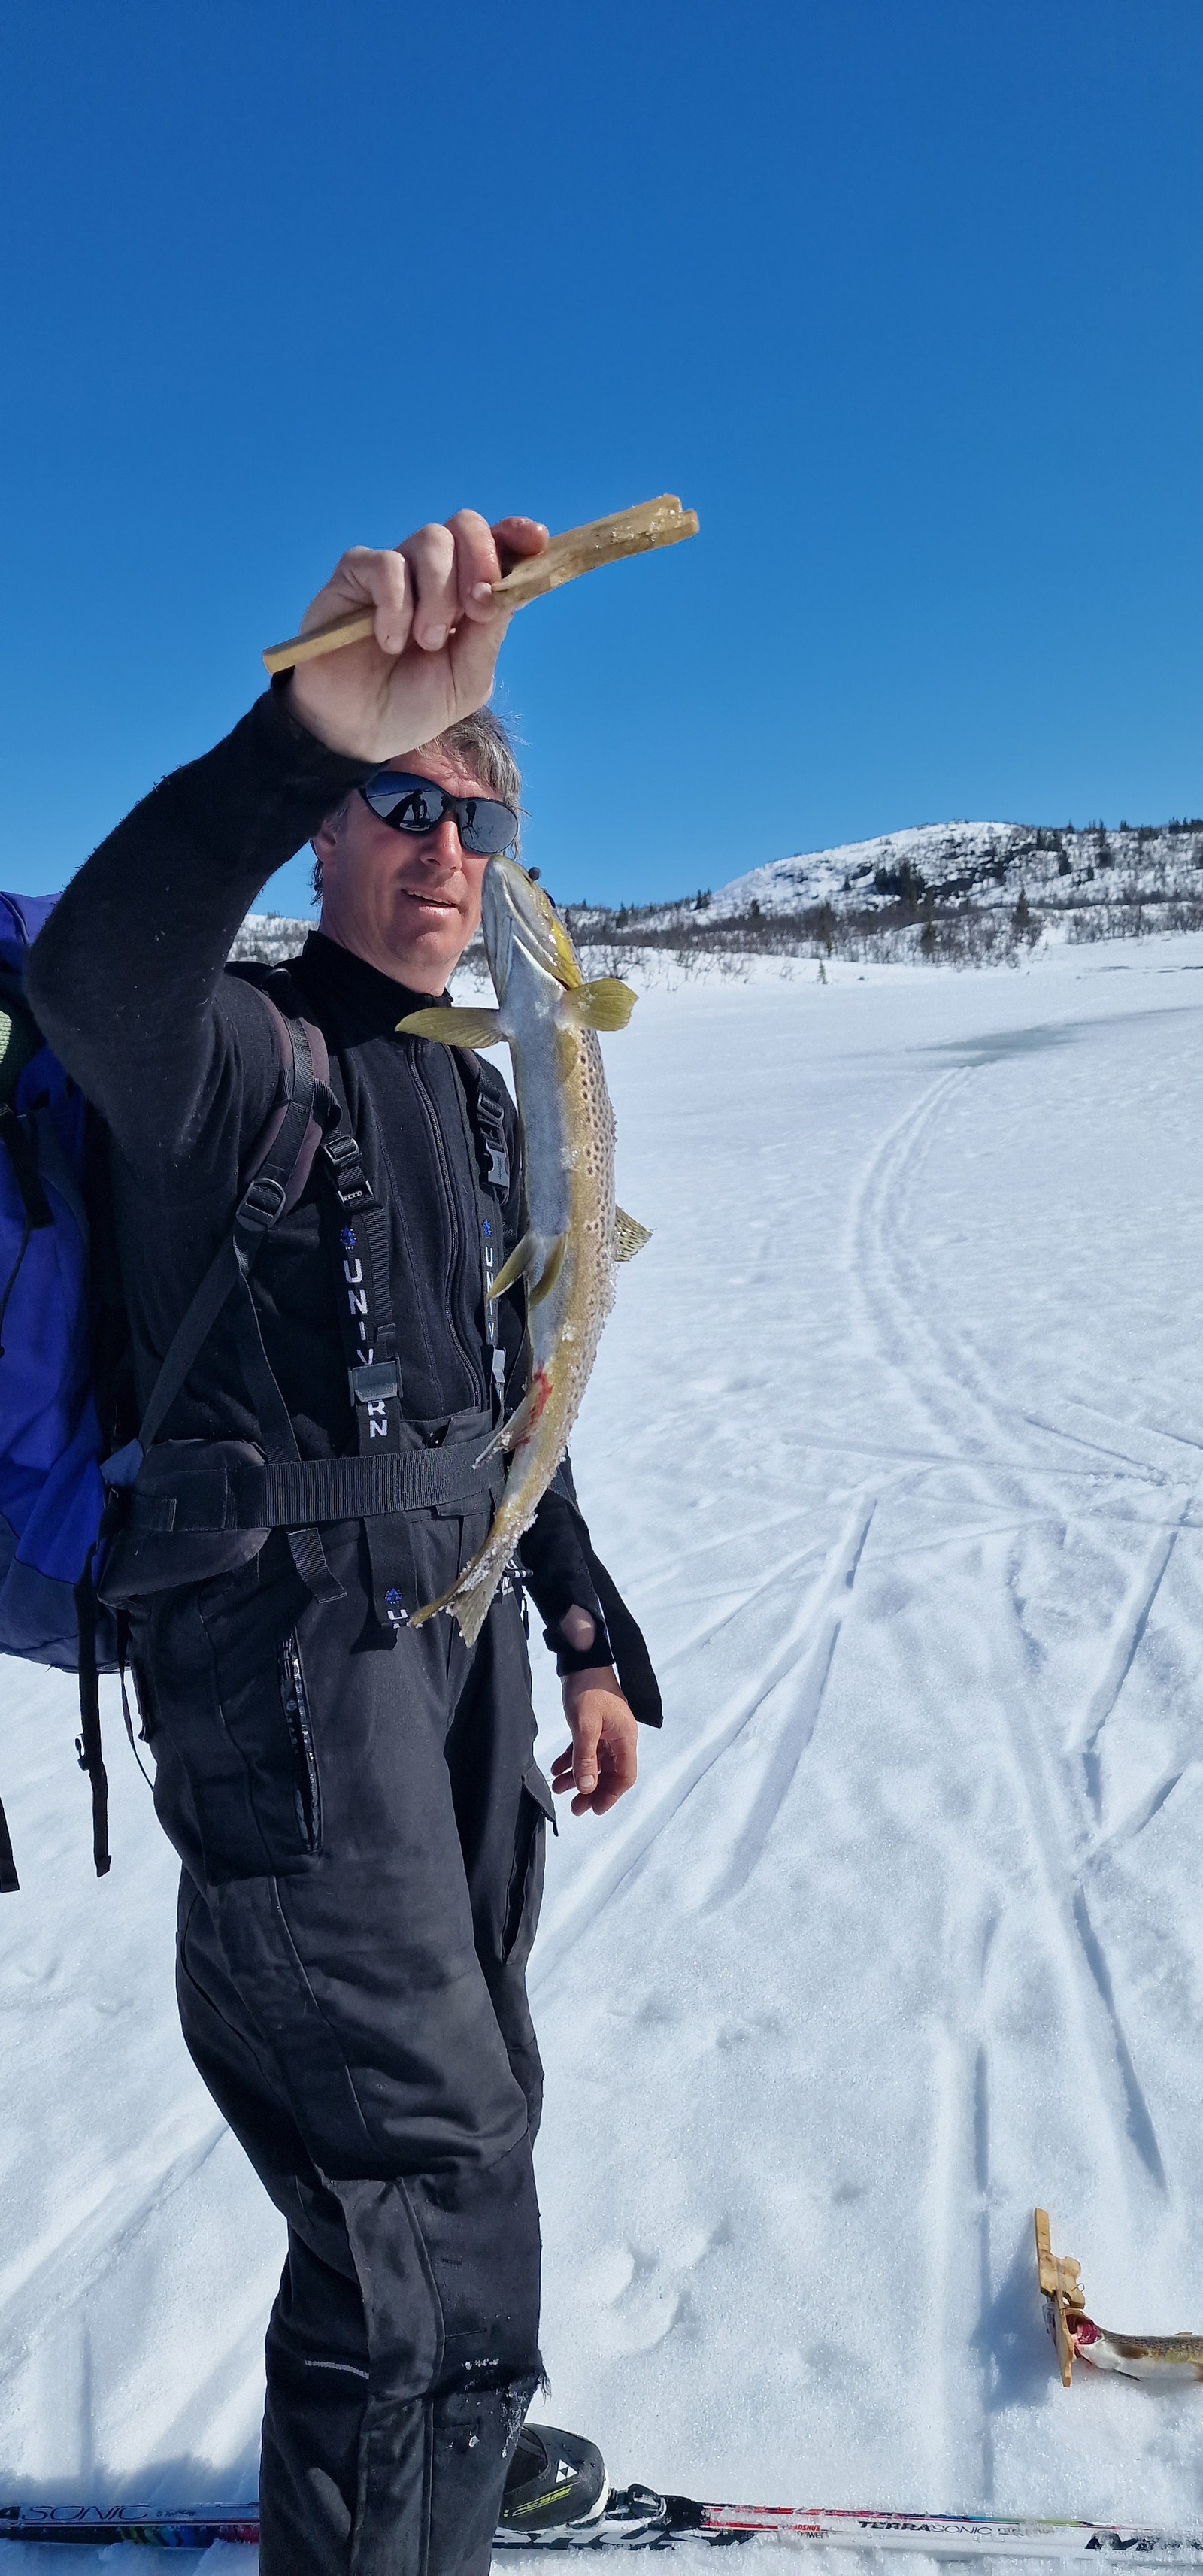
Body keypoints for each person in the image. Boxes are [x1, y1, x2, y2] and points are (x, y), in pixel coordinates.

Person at [26, 508, 661, 2576]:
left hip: (454, 1691)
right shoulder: (227, 1060)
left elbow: (506, 1411)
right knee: (433, 2178)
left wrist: (575, 1621)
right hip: (290, 1714)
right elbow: (95, 968)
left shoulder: (471, 1101)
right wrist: (293, 734)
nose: (440, 846)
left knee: (467, 2130)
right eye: (398, 799)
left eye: (472, 809)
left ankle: (445, 2456)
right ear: (323, 832)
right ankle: (412, 2487)